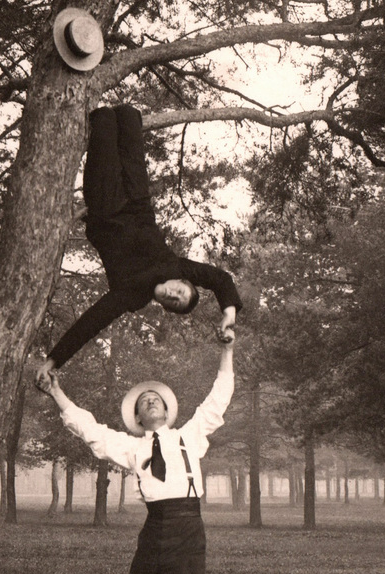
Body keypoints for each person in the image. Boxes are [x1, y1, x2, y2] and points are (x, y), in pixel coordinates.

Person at [39, 333, 235, 574]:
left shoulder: (190, 435)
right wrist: (55, 391)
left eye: (155, 398)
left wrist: (227, 350)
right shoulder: (131, 447)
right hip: (153, 532)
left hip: (188, 532)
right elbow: (90, 430)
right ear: (138, 418)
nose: (150, 400)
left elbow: (219, 396)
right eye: (144, 401)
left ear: (167, 411)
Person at [36, 104, 242, 389]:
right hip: (138, 199)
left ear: (165, 307)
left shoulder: (130, 296)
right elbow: (220, 279)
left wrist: (53, 361)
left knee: (104, 121)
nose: (173, 295)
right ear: (181, 281)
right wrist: (228, 316)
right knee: (128, 116)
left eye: (175, 302)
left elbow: (90, 323)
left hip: (106, 205)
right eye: (180, 291)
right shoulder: (176, 267)